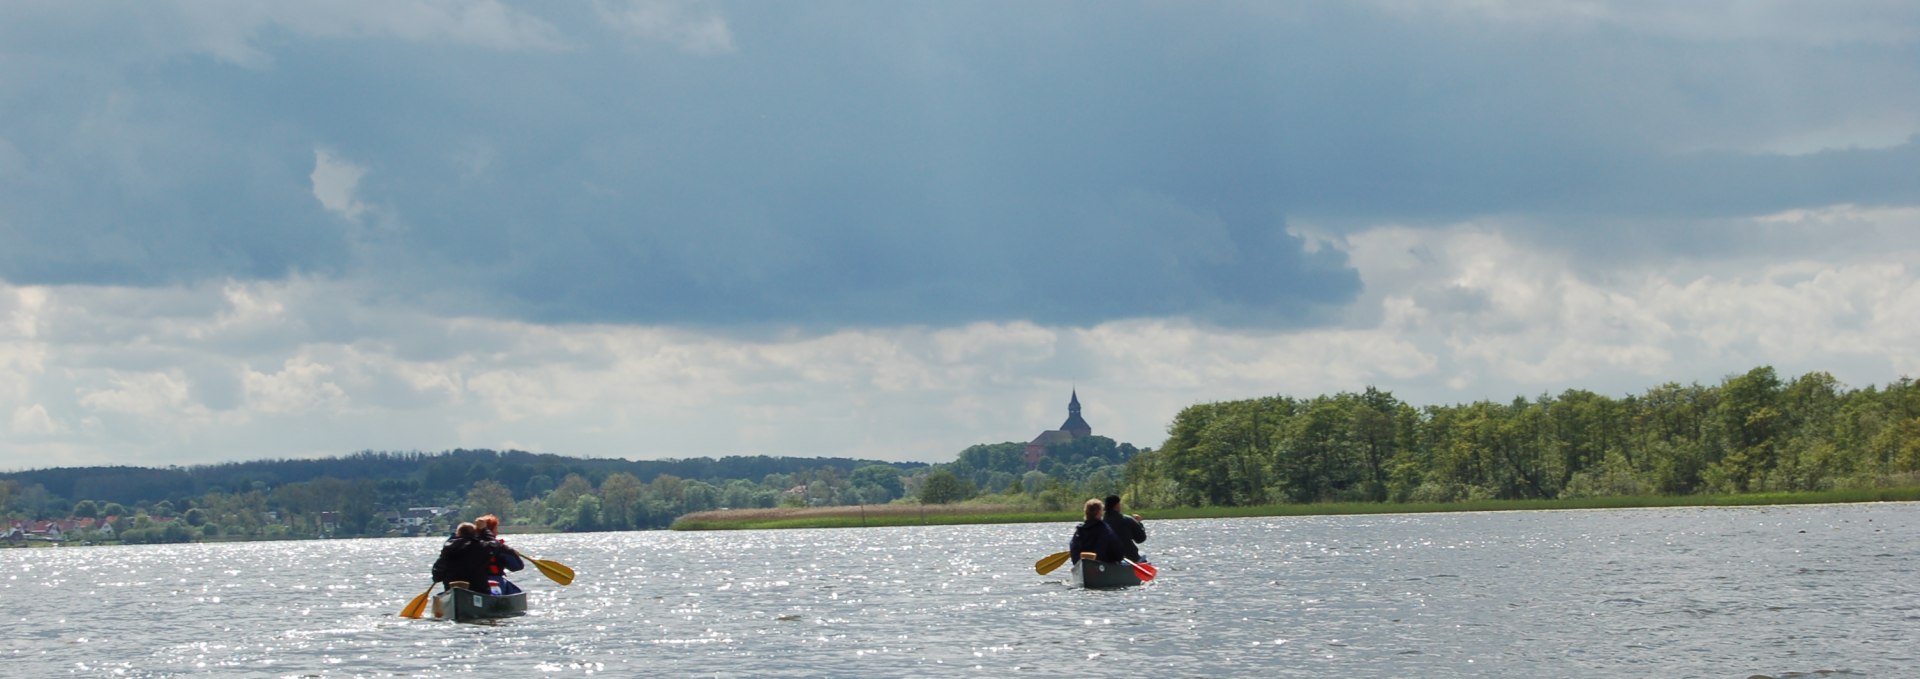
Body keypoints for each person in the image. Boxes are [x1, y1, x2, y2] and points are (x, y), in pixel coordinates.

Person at [431, 522, 495, 593]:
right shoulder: (483, 547)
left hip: (451, 590)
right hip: (478, 590)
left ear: (458, 534)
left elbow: (436, 577)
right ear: (475, 534)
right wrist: (484, 530)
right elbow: (494, 544)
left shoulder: (448, 548)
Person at [473, 514, 526, 595]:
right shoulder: (500, 547)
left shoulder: (469, 544)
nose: (498, 531)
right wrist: (513, 553)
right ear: (490, 531)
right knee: (516, 592)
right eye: (496, 528)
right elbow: (517, 566)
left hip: (473, 582)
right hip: (494, 582)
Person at [1068, 498, 1125, 565]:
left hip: (1084, 565)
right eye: (1102, 511)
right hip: (1103, 566)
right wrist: (1119, 559)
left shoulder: (1079, 531)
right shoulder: (1105, 529)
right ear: (1099, 513)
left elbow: (1074, 552)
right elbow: (1118, 552)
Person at [1103, 495, 1147, 563]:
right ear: (1117, 505)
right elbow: (1141, 539)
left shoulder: (1100, 524)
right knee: (1143, 555)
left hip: (1107, 561)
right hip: (1130, 558)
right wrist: (1138, 523)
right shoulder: (1127, 520)